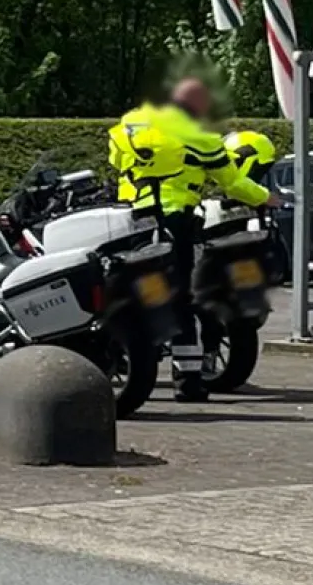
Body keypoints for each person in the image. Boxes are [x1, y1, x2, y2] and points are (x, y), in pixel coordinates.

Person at [107, 77, 271, 401]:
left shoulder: (129, 126)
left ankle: (122, 356)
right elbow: (232, 182)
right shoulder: (200, 139)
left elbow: (115, 161)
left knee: (127, 292)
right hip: (175, 222)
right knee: (180, 298)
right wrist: (265, 197)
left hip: (132, 220)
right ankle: (188, 380)